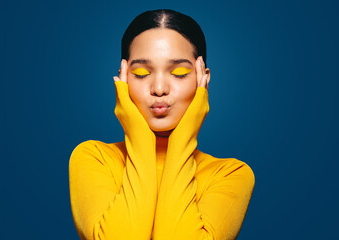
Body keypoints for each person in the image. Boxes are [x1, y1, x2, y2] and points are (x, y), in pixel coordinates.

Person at [69, 9, 255, 240]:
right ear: (123, 79)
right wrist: (138, 134)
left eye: (178, 72)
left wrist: (185, 135)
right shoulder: (94, 158)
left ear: (202, 79)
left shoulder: (230, 174)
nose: (159, 88)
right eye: (140, 73)